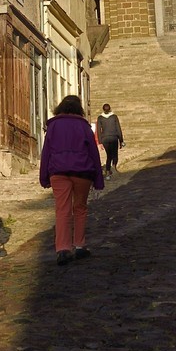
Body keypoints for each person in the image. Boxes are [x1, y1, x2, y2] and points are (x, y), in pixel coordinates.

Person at [39, 95, 104, 264]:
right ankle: (80, 245)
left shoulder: (53, 126)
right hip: (82, 172)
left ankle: (62, 248)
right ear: (79, 109)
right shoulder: (83, 126)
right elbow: (94, 154)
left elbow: (46, 153)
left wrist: (44, 177)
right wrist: (99, 179)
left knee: (62, 210)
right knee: (80, 208)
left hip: (58, 172)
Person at [95, 103, 124, 175]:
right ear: (110, 108)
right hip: (114, 137)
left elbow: (98, 130)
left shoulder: (100, 118)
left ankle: (108, 170)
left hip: (104, 138)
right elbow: (118, 128)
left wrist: (100, 142)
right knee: (115, 153)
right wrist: (121, 140)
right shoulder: (114, 117)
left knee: (109, 154)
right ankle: (113, 167)